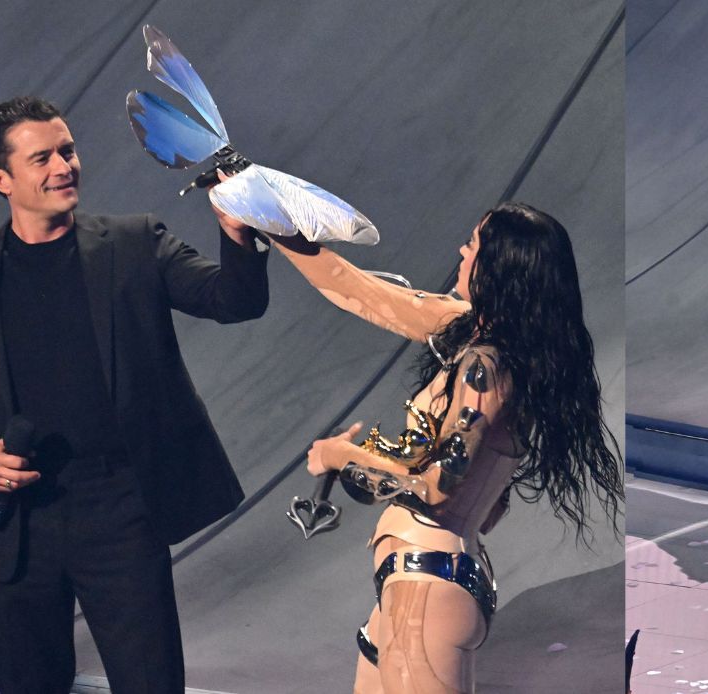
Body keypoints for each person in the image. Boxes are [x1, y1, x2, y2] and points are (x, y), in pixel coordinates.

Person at [0, 96, 268, 692]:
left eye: (67, 151)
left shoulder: (135, 243)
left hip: (121, 511)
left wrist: (238, 236)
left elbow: (234, 302)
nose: (64, 166)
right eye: (42, 158)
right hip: (17, 520)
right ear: (2, 180)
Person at [265, 202, 622, 692]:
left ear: (498, 265)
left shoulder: (487, 368)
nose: (462, 251)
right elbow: (356, 290)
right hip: (415, 585)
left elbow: (436, 489)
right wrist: (267, 217)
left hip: (427, 589)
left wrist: (342, 457)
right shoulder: (477, 334)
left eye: (473, 245)